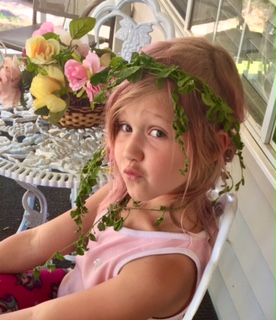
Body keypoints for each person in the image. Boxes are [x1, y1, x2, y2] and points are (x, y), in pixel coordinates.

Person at [0, 37, 246, 319]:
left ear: (214, 147)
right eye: (125, 126)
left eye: (157, 132)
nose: (129, 150)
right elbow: (37, 242)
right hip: (68, 295)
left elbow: (42, 318)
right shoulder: (124, 193)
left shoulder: (163, 268)